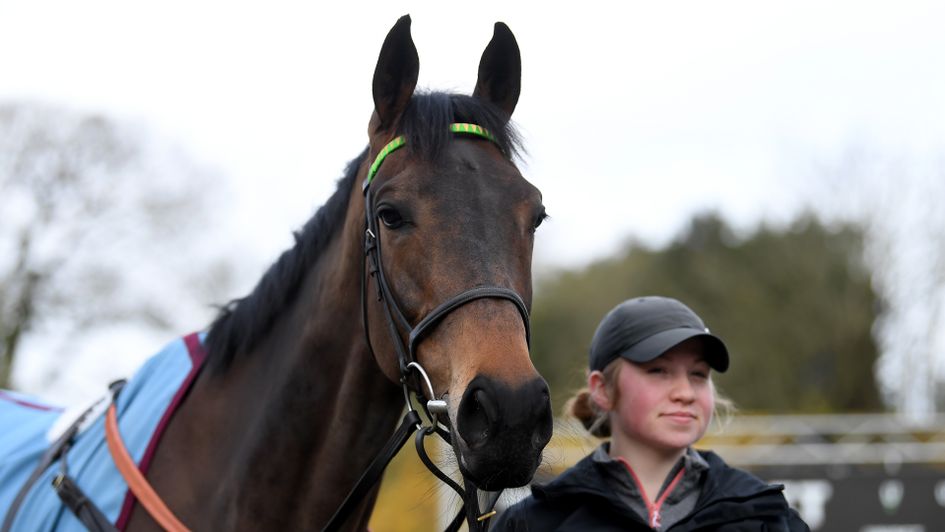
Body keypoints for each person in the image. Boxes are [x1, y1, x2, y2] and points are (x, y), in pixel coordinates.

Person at [490, 296, 808, 531]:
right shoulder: (537, 522)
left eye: (698, 374)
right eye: (658, 371)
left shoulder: (765, 515)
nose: (685, 392)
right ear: (602, 389)